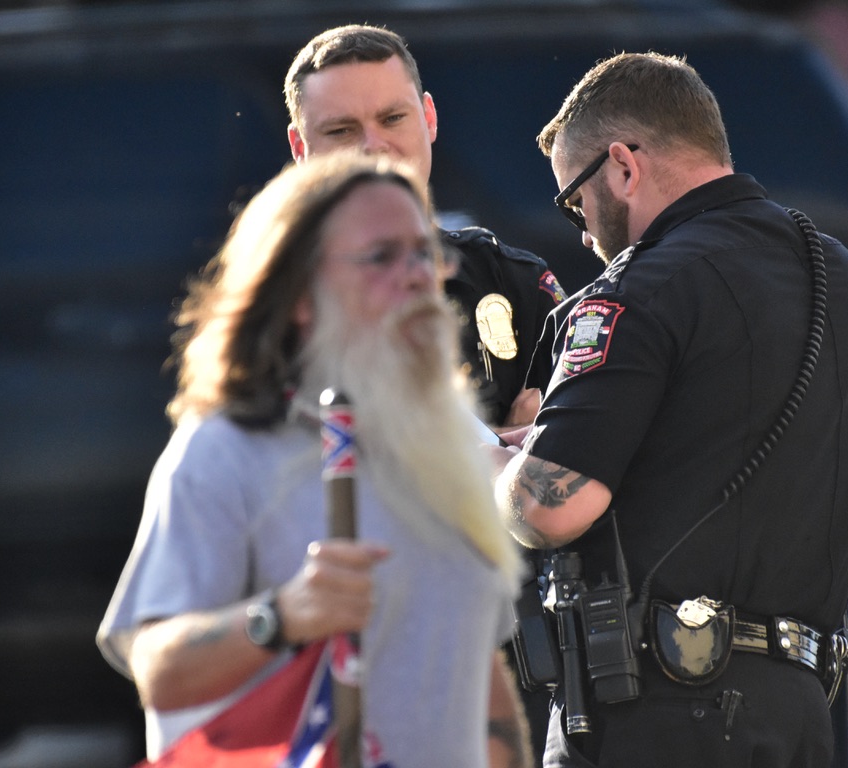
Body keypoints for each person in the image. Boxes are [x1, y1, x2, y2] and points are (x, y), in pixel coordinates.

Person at [489, 52, 848, 767]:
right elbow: (709, 441)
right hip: (802, 717)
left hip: (657, 718)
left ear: (623, 166)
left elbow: (547, 508)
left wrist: (502, 468)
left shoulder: (638, 290)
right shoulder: (841, 276)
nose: (583, 232)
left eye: (574, 201)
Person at [97, 152, 529, 767]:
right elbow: (158, 668)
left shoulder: (450, 443)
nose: (416, 277)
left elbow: (472, 666)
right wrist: (284, 614)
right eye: (382, 256)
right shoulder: (225, 448)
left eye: (425, 253)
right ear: (299, 293)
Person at [283, 24, 566, 427]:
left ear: (429, 118)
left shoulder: (512, 282)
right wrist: (504, 443)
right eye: (341, 130)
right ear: (300, 148)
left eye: (393, 118)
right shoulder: (269, 301)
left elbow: (585, 458)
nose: (373, 145)